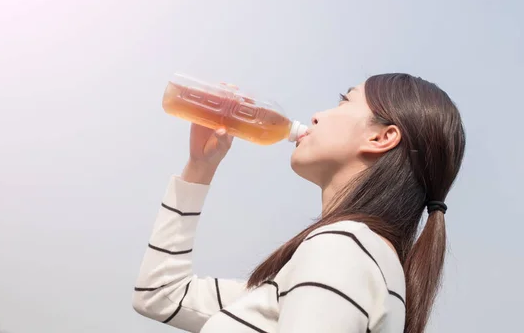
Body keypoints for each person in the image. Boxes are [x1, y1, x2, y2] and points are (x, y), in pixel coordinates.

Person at [133, 73, 466, 333]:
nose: (318, 116)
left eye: (343, 102)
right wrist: (199, 167)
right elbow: (161, 295)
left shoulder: (344, 249)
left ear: (381, 137)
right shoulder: (352, 258)